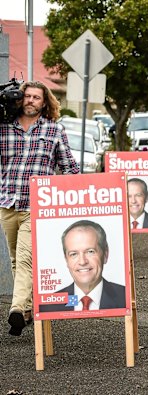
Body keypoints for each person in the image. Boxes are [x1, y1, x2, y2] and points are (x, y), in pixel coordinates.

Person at [0, 81, 79, 336]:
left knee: (25, 258)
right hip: (7, 203)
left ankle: (15, 308)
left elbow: (70, 168)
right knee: (16, 259)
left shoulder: (54, 130)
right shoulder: (4, 129)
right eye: (27, 96)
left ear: (44, 102)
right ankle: (27, 310)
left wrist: (66, 193)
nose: (31, 100)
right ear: (19, 99)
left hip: (36, 205)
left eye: (37, 97)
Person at [39, 220, 126, 312]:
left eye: (90, 252)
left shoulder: (125, 298)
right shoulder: (49, 306)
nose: (82, 261)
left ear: (105, 254)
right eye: (74, 254)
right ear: (66, 259)